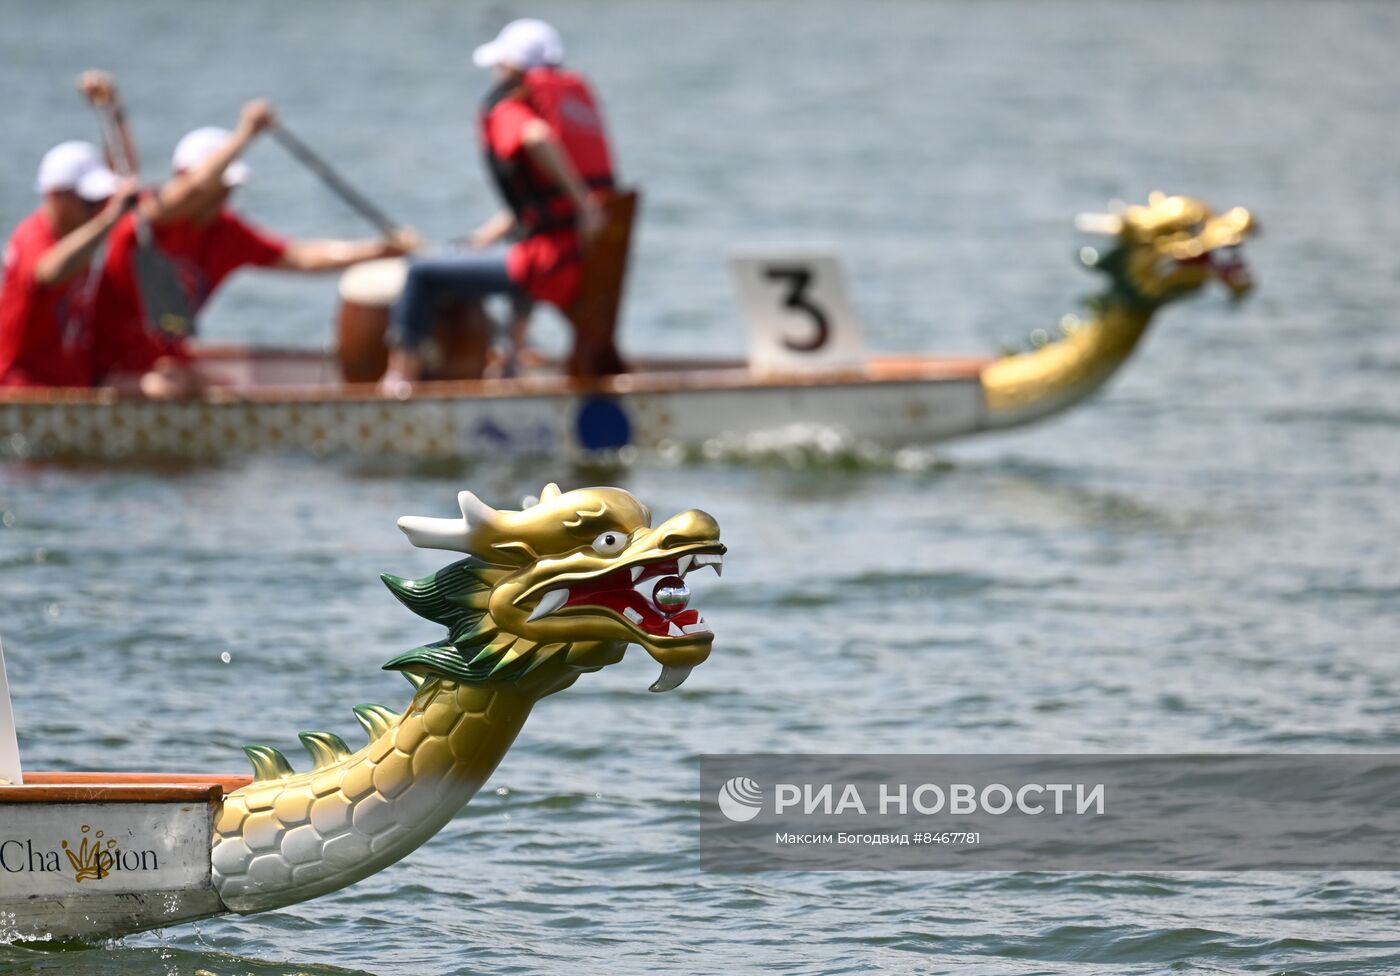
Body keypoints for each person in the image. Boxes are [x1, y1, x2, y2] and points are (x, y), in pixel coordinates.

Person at [93, 99, 417, 397]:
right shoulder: (144, 221)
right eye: (220, 185)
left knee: (222, 392)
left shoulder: (226, 232)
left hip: (168, 365)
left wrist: (380, 250)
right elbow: (193, 188)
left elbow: (300, 256)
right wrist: (245, 133)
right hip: (107, 371)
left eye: (231, 187)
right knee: (178, 388)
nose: (226, 195)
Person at [382, 17, 614, 389]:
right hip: (579, 256)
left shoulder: (512, 112)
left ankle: (398, 382)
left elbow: (537, 138)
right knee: (482, 253)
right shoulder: (565, 111)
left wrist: (581, 203)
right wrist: (481, 240)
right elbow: (536, 206)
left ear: (510, 67)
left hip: (546, 263)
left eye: (499, 63)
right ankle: (512, 360)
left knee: (421, 271)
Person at [0, 140, 138, 387]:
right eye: (90, 202)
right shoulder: (32, 235)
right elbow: (49, 272)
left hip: (70, 386)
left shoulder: (80, 235)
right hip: (22, 389)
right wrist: (110, 219)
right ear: (55, 195)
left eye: (102, 201)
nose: (97, 210)